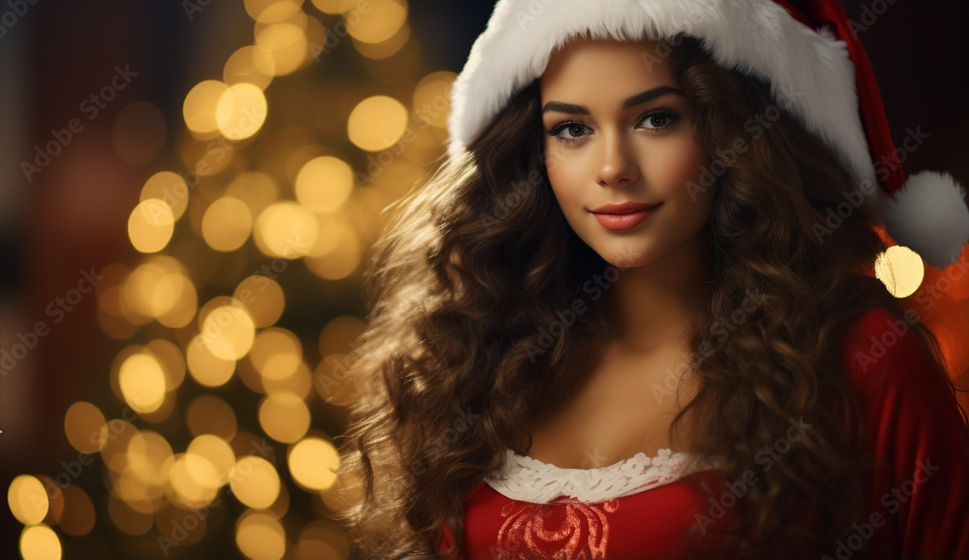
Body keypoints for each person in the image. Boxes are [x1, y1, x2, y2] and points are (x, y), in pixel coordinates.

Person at [331, 0, 969, 558]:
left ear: (733, 133)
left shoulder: (863, 364)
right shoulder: (476, 366)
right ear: (533, 149)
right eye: (572, 129)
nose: (613, 167)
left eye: (656, 119)